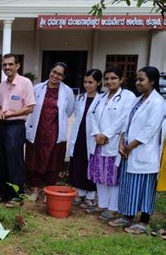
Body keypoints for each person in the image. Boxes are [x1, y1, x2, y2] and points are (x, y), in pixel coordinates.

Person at [108, 67, 164, 234]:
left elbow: (150, 129)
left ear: (152, 81)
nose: (137, 83)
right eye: (137, 79)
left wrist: (129, 146)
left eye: (141, 79)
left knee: (144, 189)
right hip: (127, 151)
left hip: (142, 152)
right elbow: (126, 122)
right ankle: (127, 217)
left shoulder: (158, 102)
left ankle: (143, 222)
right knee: (128, 187)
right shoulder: (138, 99)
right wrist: (121, 143)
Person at [87, 65, 136, 219]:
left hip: (113, 142)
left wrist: (106, 134)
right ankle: (102, 205)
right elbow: (92, 115)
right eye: (106, 78)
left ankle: (113, 207)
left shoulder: (128, 97)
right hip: (98, 143)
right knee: (99, 175)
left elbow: (124, 118)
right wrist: (96, 134)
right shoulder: (101, 97)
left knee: (112, 177)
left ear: (121, 79)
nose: (109, 81)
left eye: (113, 78)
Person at [25, 62, 75, 201]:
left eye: (59, 74)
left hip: (55, 132)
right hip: (38, 130)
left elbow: (69, 110)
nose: (55, 75)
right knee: (34, 161)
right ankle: (35, 191)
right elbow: (30, 105)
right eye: (54, 72)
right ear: (50, 71)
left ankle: (49, 192)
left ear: (63, 77)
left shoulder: (68, 92)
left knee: (53, 163)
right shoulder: (38, 88)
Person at [0, 53, 36, 204]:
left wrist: (12, 113)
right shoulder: (2, 85)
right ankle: (4, 194)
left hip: (16, 126)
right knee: (0, 159)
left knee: (15, 161)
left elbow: (30, 108)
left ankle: (17, 196)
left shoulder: (25, 83)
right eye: (4, 65)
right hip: (3, 125)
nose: (7, 67)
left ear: (17, 66)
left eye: (10, 64)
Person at [68, 69, 103, 209]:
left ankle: (90, 196)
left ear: (98, 83)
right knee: (79, 164)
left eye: (91, 82)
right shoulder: (80, 98)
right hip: (79, 135)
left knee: (91, 165)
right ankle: (80, 193)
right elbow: (77, 115)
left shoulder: (102, 100)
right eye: (85, 82)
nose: (87, 85)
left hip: (93, 136)